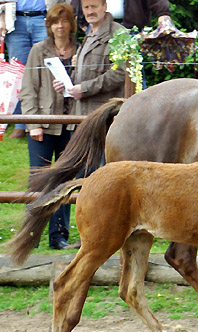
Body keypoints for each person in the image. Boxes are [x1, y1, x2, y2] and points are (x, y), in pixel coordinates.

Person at [20, 2, 78, 250]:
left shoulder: (81, 49)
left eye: (64, 21)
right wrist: (33, 122)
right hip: (42, 125)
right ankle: (30, 233)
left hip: (71, 125)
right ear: (49, 25)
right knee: (39, 180)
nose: (60, 26)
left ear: (71, 24)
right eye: (55, 22)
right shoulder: (38, 50)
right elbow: (28, 89)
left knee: (64, 180)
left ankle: (59, 235)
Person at [0, 0, 66, 139]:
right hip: (16, 20)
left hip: (44, 18)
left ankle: (50, 119)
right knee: (18, 73)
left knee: (47, 70)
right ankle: (21, 124)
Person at [53, 0, 125, 121]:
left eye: (94, 7)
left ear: (104, 7)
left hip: (105, 115)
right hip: (80, 114)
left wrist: (84, 89)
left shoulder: (118, 33)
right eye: (86, 7)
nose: (90, 11)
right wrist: (65, 85)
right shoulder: (89, 35)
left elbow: (119, 73)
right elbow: (83, 74)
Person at [71, 0, 173, 32]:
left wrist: (163, 15)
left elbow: (158, 1)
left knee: (132, 73)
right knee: (96, 69)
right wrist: (84, 25)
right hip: (97, 28)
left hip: (130, 29)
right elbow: (76, 6)